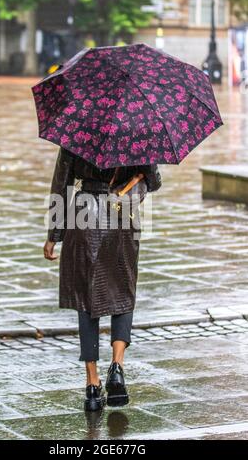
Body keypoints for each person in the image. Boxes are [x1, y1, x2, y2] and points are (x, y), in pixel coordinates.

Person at [43, 147, 162, 411]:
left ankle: (92, 384)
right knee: (123, 290)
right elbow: (154, 181)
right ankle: (117, 366)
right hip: (123, 217)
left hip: (85, 217)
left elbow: (60, 185)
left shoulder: (76, 128)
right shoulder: (138, 130)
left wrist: (54, 234)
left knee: (88, 298)